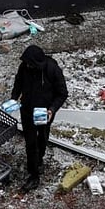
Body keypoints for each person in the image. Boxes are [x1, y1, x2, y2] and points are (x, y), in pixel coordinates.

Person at [10, 44, 68, 193]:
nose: (28, 66)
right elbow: (18, 83)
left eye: (30, 64)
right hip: (28, 109)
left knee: (42, 137)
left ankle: (39, 159)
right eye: (27, 63)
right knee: (30, 142)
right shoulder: (24, 67)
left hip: (45, 111)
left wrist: (52, 110)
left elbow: (62, 93)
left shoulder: (52, 69)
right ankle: (33, 174)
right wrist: (14, 98)